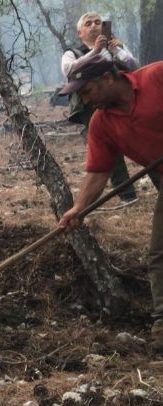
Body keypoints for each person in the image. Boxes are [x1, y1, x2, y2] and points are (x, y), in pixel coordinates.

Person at [57, 58, 163, 348]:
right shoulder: (101, 123)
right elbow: (99, 171)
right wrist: (79, 208)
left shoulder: (156, 77)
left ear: (106, 77)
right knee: (160, 254)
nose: (82, 98)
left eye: (86, 90)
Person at [61, 11, 139, 204]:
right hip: (91, 105)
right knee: (108, 146)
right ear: (80, 32)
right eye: (88, 23)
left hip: (120, 101)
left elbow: (133, 66)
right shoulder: (72, 53)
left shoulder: (114, 46)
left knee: (140, 138)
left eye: (98, 22)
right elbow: (70, 70)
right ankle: (127, 194)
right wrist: (95, 52)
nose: (95, 26)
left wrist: (118, 50)